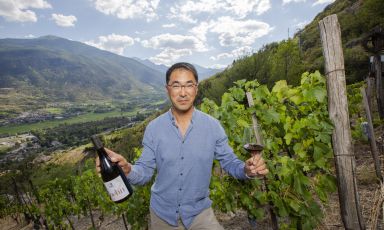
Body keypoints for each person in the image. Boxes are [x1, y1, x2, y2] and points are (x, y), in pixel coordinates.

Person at [96, 62, 269, 229]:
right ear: (167, 89)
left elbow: (231, 163)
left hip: (200, 214)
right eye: (176, 85)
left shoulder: (213, 126)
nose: (183, 92)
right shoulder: (154, 128)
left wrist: (247, 170)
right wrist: (127, 169)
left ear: (196, 88)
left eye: (189, 85)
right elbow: (144, 173)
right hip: (161, 217)